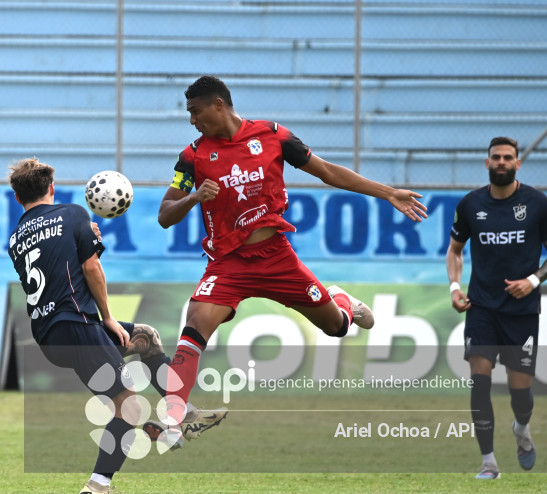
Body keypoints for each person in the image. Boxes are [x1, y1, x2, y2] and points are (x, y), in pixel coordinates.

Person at [149, 75, 428, 435]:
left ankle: (343, 301)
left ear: (218, 104)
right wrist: (193, 197)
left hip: (277, 258)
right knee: (195, 322)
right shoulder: (193, 156)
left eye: (195, 111)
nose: (192, 120)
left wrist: (388, 192)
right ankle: (174, 418)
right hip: (229, 263)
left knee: (336, 327)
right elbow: (164, 216)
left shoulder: (273, 136)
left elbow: (327, 172)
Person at [6, 158, 226, 494]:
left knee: (146, 338)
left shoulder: (16, 238)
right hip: (77, 324)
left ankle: (183, 413)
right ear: (51, 189)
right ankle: (98, 487)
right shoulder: (72, 213)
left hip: (49, 334)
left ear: (17, 198)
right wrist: (107, 317)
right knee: (130, 405)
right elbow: (90, 267)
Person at [446, 136, 547, 479]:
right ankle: (488, 462)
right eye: (495, 157)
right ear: (487, 163)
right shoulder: (470, 205)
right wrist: (455, 287)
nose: (501, 162)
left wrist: (533, 280)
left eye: (507, 157)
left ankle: (521, 429)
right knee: (479, 382)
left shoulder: (538, 204)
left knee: (520, 392)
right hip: (481, 306)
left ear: (517, 163)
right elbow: (454, 250)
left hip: (522, 311)